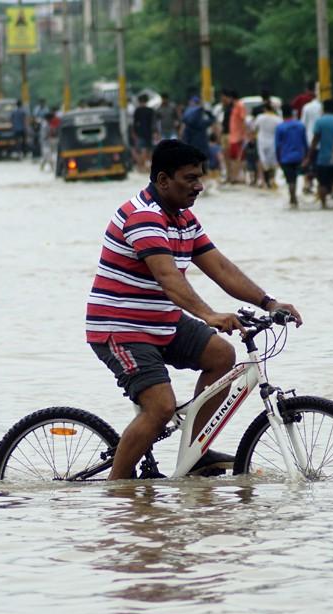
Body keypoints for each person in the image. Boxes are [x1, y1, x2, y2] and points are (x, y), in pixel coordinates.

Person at [86, 140, 302, 480]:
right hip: (120, 329)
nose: (199, 186)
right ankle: (119, 491)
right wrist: (210, 314)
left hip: (163, 323)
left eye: (200, 177)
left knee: (220, 355)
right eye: (189, 178)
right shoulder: (143, 217)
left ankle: (195, 451)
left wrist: (268, 302)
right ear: (162, 180)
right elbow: (169, 278)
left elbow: (220, 267)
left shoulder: (184, 218)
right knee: (160, 407)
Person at [306, 98, 333, 209]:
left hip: (323, 158)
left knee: (322, 183)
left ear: (323, 109)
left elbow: (315, 141)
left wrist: (308, 157)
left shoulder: (320, 121)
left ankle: (324, 204)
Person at [275, 104, 308, 208]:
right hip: (299, 156)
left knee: (290, 180)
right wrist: (306, 157)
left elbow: (277, 146)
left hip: (286, 157)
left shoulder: (280, 127)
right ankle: (294, 198)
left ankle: (292, 199)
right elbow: (305, 143)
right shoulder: (300, 126)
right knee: (295, 178)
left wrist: (278, 159)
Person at [252, 105, 282, 189]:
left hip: (261, 141)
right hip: (273, 142)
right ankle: (272, 180)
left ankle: (263, 181)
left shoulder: (260, 117)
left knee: (262, 160)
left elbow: (254, 128)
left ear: (265, 109)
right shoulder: (278, 119)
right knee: (273, 162)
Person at [300, 92, 323, 195]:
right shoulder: (323, 107)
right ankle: (320, 186)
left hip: (309, 140)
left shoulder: (307, 107)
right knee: (319, 165)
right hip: (322, 142)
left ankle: (306, 184)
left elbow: (303, 124)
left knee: (308, 163)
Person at [225, 90, 247, 184]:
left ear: (231, 98)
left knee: (239, 158)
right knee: (234, 158)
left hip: (238, 137)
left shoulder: (240, 106)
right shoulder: (234, 107)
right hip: (233, 136)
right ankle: (234, 177)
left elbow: (243, 121)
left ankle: (239, 177)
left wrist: (243, 135)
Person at [131, 93, 156, 173]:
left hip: (140, 133)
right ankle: (147, 167)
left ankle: (141, 167)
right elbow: (153, 123)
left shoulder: (137, 111)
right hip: (149, 133)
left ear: (139, 101)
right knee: (149, 151)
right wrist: (155, 133)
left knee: (142, 151)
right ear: (147, 101)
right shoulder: (150, 110)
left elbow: (135, 123)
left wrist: (134, 133)